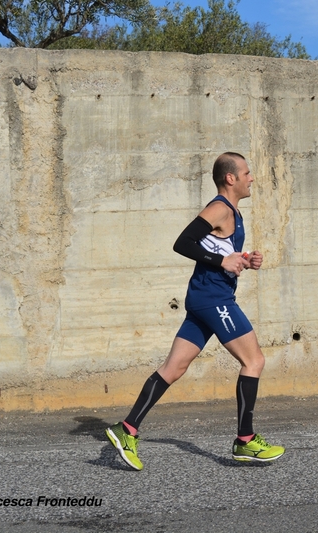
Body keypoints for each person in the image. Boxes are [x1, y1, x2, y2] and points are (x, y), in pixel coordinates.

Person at [105, 152, 284, 470]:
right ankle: (245, 441)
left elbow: (218, 250)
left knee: (173, 369)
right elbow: (183, 243)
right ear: (231, 178)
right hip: (214, 301)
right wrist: (223, 262)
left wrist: (242, 259)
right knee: (254, 361)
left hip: (203, 299)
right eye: (247, 172)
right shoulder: (219, 207)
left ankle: (126, 429)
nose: (251, 177)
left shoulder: (234, 213)